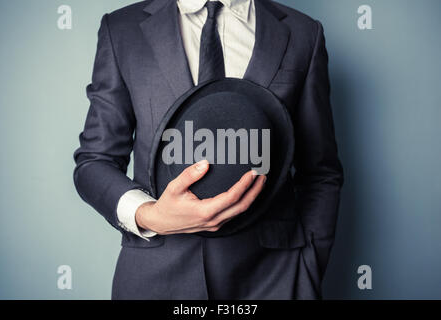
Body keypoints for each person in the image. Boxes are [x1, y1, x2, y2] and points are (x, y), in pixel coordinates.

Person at [73, 0, 344, 299]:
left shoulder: (303, 32)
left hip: (272, 278)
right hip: (157, 277)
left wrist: (308, 266)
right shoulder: (122, 29)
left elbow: (320, 172)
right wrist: (150, 215)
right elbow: (95, 161)